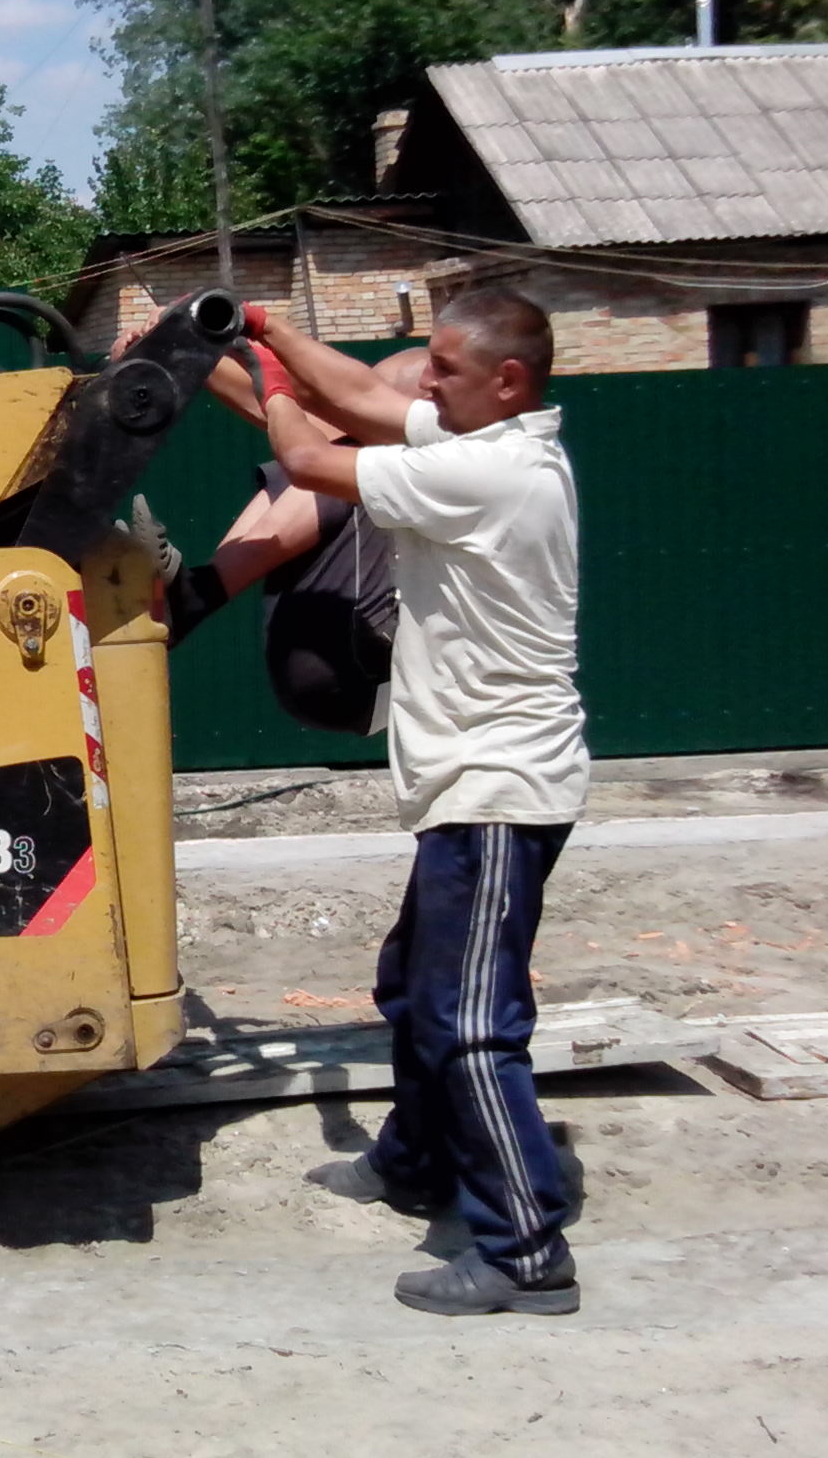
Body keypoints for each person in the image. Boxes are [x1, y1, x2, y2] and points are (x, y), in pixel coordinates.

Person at [243, 287, 589, 1316]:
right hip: (467, 783)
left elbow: (308, 456)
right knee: (414, 982)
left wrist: (268, 378)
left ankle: (525, 1251)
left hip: (498, 788)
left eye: (442, 367)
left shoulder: (488, 472)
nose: (422, 381)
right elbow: (359, 394)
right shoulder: (482, 431)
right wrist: (273, 329)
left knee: (470, 1021)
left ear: (507, 380)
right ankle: (416, 1160)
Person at [138, 347, 428, 736]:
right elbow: (274, 409)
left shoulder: (453, 459)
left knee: (332, 466)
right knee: (313, 458)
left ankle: (193, 598)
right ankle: (192, 594)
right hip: (332, 672)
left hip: (375, 680)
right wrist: (184, 348)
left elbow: (298, 432)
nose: (363, 407)